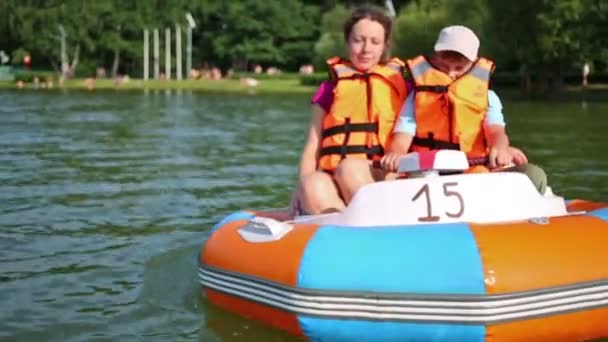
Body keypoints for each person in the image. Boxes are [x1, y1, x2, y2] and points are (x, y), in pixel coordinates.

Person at [379, 25, 547, 194]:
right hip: (428, 180)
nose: (451, 74)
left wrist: (500, 148)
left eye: (459, 68)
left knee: (534, 175)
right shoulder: (416, 98)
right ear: (435, 60)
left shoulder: (488, 97)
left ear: (473, 64)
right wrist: (395, 154)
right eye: (445, 67)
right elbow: (402, 138)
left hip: (474, 175)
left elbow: (496, 132)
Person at [289, 6, 408, 216]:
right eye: (358, 40)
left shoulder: (402, 87)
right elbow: (312, 146)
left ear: (385, 46)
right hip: (334, 179)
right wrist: (298, 194)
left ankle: (380, 223)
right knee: (311, 184)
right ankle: (344, 228)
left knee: (350, 168)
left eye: (374, 41)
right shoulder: (329, 89)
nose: (365, 49)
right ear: (347, 42)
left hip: (383, 176)